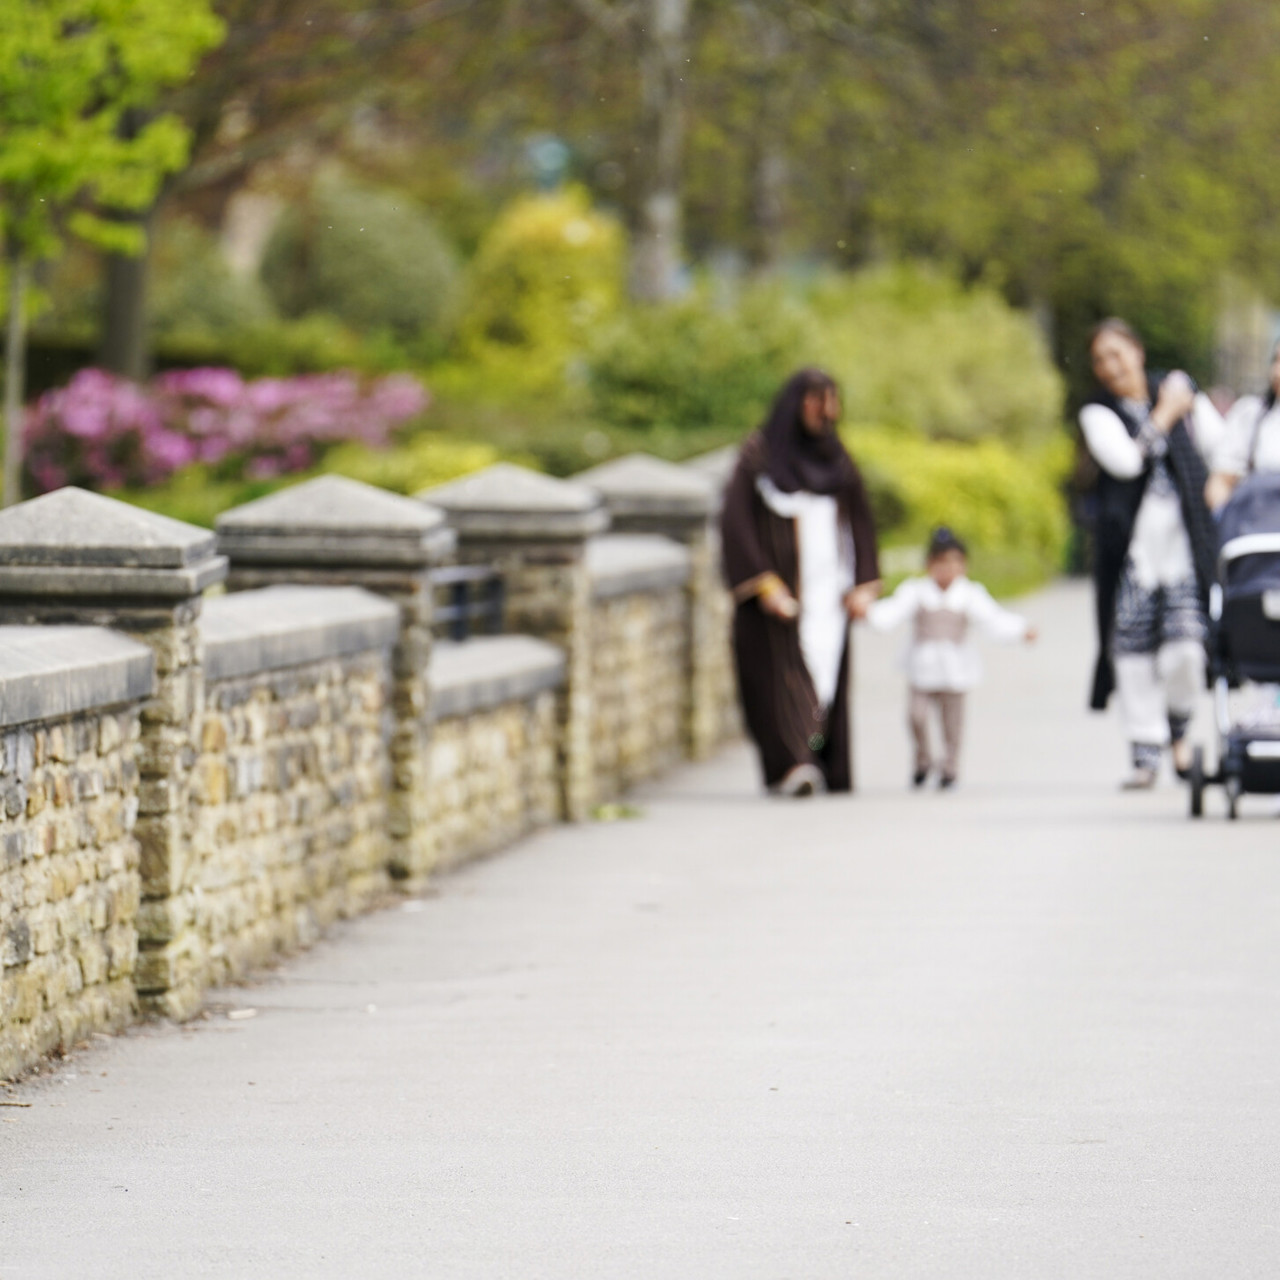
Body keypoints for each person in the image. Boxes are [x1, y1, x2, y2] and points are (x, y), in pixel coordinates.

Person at [1079, 318, 1226, 788]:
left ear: (1138, 351)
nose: (1110, 366)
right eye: (1101, 359)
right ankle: (1146, 754)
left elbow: (1221, 450)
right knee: (1132, 653)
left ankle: (1178, 732)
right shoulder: (1098, 413)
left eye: (1117, 353)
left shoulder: (1185, 394)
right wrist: (1164, 413)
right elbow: (1125, 461)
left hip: (1185, 549)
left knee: (1186, 648)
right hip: (1131, 555)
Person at [721, 368, 881, 796]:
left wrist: (865, 583)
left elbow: (862, 524)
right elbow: (736, 523)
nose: (823, 412)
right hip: (782, 596)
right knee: (785, 685)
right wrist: (764, 584)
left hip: (830, 593)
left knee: (823, 685)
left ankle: (816, 758)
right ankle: (793, 764)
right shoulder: (760, 458)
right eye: (814, 400)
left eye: (829, 400)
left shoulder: (837, 459)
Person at [867, 527, 1036, 789]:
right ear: (930, 564)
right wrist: (867, 613)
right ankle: (923, 758)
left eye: (954, 562)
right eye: (942, 562)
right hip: (922, 666)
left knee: (952, 724)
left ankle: (950, 766)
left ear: (964, 565)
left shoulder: (969, 594)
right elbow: (891, 612)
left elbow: (993, 619)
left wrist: (1020, 629)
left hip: (955, 668)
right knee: (916, 716)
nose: (948, 569)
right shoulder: (916, 591)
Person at [1206, 339, 1280, 510]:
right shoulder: (1251, 415)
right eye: (1275, 360)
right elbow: (1220, 481)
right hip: (1259, 530)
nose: (1276, 372)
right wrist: (1229, 520)